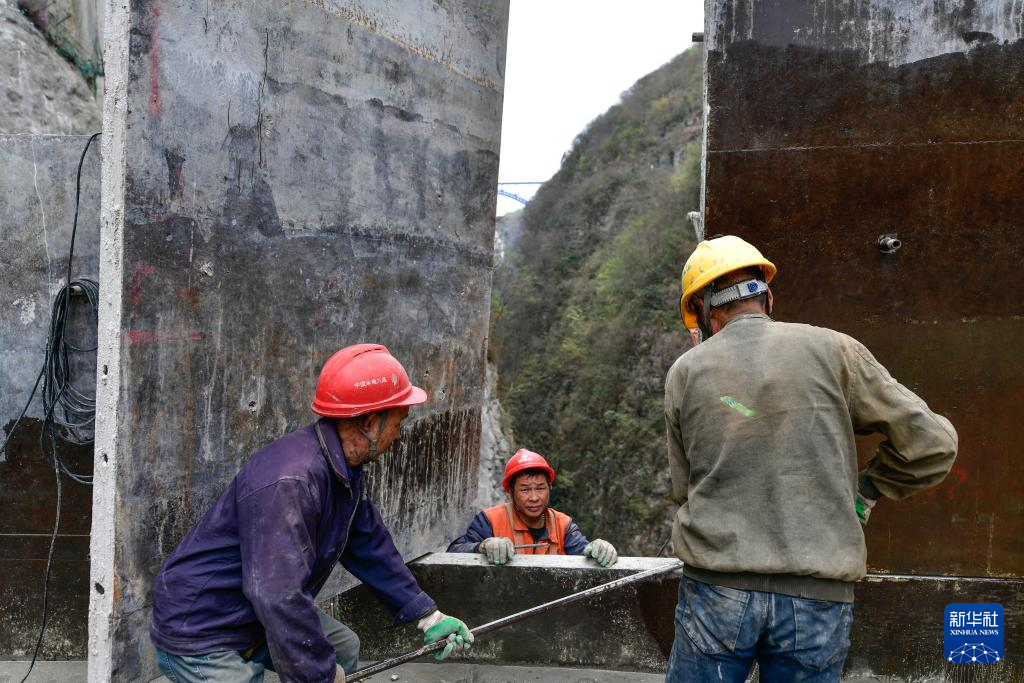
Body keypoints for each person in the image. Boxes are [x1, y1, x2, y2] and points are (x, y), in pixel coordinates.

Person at [663, 236, 958, 682]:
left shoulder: (685, 372)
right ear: (768, 295)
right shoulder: (836, 351)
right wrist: (867, 490)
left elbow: (683, 492)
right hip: (817, 597)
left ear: (704, 311)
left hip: (718, 590)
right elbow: (935, 442)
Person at [150, 344, 474, 683]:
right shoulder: (293, 482)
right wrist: (318, 674)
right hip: (201, 628)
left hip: (248, 614)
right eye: (397, 423)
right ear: (368, 422)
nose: (399, 434)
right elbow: (277, 594)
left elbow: (371, 547)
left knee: (343, 649)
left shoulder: (342, 470)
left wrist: (429, 617)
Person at [448, 448, 619, 567]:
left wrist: (599, 549)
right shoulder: (490, 520)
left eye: (540, 488)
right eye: (524, 489)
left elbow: (584, 552)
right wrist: (482, 547)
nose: (534, 497)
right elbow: (453, 552)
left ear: (549, 489)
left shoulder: (563, 525)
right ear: (511, 492)